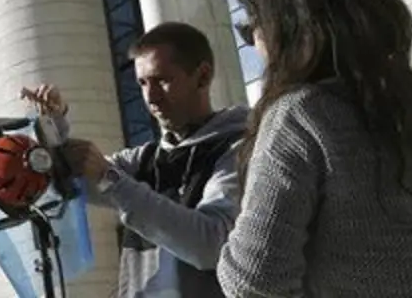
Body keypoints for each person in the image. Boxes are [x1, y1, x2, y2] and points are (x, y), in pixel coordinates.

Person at [216, 0, 412, 296]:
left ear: (286, 25)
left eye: (250, 27)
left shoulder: (300, 118)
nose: (253, 43)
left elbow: (252, 279)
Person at [21, 21, 248, 298]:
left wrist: (111, 179)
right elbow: (68, 183)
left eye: (162, 80)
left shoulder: (237, 148)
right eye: (142, 83)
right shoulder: (145, 159)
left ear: (202, 77)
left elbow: (211, 245)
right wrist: (53, 128)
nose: (151, 97)